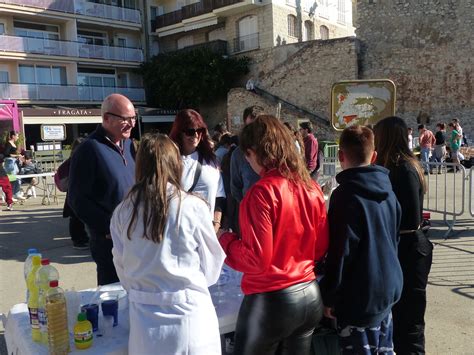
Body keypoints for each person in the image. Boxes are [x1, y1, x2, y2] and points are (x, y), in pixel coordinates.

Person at [219, 115, 329, 355]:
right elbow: (319, 248)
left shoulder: (261, 192)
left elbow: (255, 258)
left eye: (248, 156)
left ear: (253, 152)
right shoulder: (311, 187)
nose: (248, 163)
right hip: (308, 294)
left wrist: (226, 241)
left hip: (271, 301)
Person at [110, 133, 225, 354]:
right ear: (175, 163)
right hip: (191, 317)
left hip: (146, 325)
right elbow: (212, 265)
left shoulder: (123, 212)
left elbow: (122, 266)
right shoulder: (192, 206)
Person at [319, 125, 403, 354]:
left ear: (341, 156)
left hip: (359, 297)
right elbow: (394, 238)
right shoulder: (389, 191)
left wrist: (329, 296)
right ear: (374, 156)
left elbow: (341, 251)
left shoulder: (345, 196)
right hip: (386, 290)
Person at [374, 116, 433, 355]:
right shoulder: (398, 165)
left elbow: (408, 218)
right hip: (403, 246)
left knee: (409, 318)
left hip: (409, 248)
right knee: (399, 316)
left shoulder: (404, 168)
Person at [69, 93, 136, 285]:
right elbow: (77, 199)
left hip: (134, 236)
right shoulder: (89, 149)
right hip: (108, 241)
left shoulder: (129, 144)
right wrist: (108, 227)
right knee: (113, 294)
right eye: (125, 119)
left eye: (133, 118)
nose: (131, 124)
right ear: (107, 118)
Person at [169, 109, 225, 232]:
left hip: (207, 231)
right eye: (190, 131)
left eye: (199, 131)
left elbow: (219, 197)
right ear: (179, 133)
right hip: (180, 233)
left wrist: (216, 225)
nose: (195, 135)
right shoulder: (170, 162)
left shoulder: (212, 161)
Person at [55, 138, 89, 249]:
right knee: (76, 218)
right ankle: (78, 240)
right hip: (76, 194)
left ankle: (81, 238)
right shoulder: (74, 161)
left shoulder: (72, 160)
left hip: (76, 194)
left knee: (78, 218)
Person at [230, 105, 265, 203]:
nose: (254, 131)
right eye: (250, 127)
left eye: (258, 127)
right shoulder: (238, 154)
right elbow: (235, 188)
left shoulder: (273, 150)